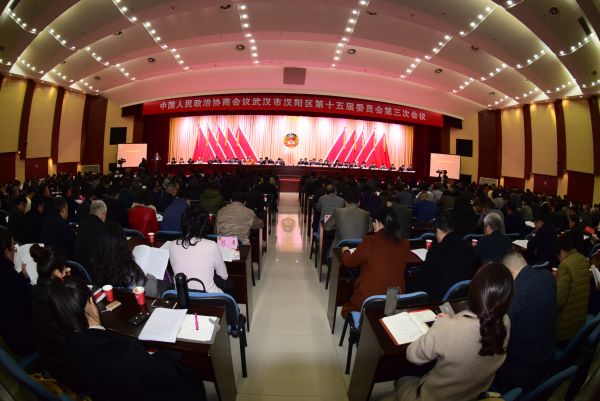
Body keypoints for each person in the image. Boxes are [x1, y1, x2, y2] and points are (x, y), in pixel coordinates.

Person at [48, 277, 206, 401]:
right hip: (148, 393)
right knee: (191, 374)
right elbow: (167, 375)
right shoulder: (126, 348)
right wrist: (166, 354)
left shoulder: (66, 350)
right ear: (90, 303)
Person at [378, 263, 513, 401]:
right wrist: (453, 321)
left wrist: (444, 326)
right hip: (471, 394)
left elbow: (413, 356)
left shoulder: (448, 327)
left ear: (472, 290)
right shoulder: (505, 323)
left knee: (403, 374)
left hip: (431, 397)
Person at [493, 252, 556, 393]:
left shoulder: (515, 295)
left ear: (508, 273)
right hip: (546, 357)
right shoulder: (548, 276)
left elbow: (498, 337)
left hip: (521, 371)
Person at [340, 207, 409, 317]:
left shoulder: (370, 241)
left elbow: (349, 262)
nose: (373, 225)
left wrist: (345, 251)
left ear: (378, 223)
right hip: (393, 300)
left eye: (374, 222)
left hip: (370, 300)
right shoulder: (405, 244)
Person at [29, 244, 70, 378]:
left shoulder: (33, 291)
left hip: (47, 357)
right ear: (57, 273)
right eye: (64, 269)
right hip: (66, 364)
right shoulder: (59, 298)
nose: (66, 271)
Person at [415, 213, 475, 301]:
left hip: (437, 299)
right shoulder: (469, 248)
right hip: (460, 298)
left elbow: (423, 280)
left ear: (438, 230)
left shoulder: (436, 250)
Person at [168, 205, 228, 292]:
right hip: (210, 296)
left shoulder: (172, 245)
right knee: (228, 283)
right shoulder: (211, 245)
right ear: (204, 224)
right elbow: (224, 276)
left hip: (181, 294)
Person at [91, 223, 161, 297]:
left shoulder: (96, 263)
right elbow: (151, 292)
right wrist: (150, 276)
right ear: (122, 242)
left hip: (112, 298)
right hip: (134, 300)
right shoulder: (128, 267)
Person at [0, 226, 35, 355]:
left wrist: (22, 276)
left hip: (9, 334)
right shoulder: (9, 277)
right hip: (24, 340)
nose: (15, 251)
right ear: (6, 252)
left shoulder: (6, 271)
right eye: (13, 248)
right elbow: (28, 299)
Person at [556, 234, 590, 343]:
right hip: (580, 321)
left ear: (561, 252)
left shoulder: (565, 265)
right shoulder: (583, 259)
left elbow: (558, 301)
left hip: (566, 329)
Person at [73, 200, 107, 277]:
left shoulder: (82, 223)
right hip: (93, 272)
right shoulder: (102, 228)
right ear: (103, 214)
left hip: (78, 268)